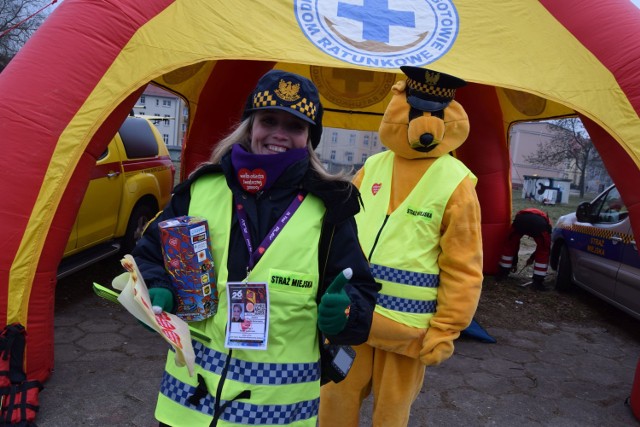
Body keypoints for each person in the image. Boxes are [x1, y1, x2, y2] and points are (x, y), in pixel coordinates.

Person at [131, 69, 380, 427]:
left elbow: (360, 293)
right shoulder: (200, 188)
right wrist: (158, 289)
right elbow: (149, 255)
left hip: (277, 413)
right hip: (187, 404)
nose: (279, 133)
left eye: (295, 126)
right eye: (269, 120)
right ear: (250, 125)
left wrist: (345, 314)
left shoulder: (331, 207)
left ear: (309, 137)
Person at [319, 66, 483, 427]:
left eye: (437, 115)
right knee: (333, 399)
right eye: (416, 111)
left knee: (391, 413)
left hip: (407, 329)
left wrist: (446, 328)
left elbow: (464, 265)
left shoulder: (456, 183)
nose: (426, 126)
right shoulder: (373, 166)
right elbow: (341, 233)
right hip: (353, 317)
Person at [496, 208, 552, 291]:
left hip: (521, 220)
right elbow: (543, 247)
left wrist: (516, 262)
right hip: (539, 224)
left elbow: (515, 245)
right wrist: (532, 258)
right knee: (543, 251)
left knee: (510, 245)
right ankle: (537, 283)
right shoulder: (546, 222)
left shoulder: (524, 213)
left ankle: (502, 274)